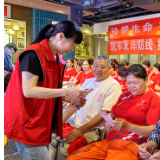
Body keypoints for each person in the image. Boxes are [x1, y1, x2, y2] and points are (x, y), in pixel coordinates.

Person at [4, 20, 86, 160]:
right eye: (73, 44)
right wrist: (64, 92)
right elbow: (29, 91)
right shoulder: (34, 54)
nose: (72, 49)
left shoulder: (54, 58)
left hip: (40, 120)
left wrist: (67, 98)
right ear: (60, 36)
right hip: (26, 120)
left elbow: (47, 88)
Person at [66, 64, 160, 160]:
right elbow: (110, 116)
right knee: (73, 158)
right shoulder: (124, 96)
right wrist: (108, 124)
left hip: (132, 144)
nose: (131, 86)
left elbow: (153, 131)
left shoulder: (153, 98)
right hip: (110, 141)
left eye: (136, 83)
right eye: (128, 82)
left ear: (146, 81)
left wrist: (129, 127)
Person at [59, 55, 122, 160]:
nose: (98, 69)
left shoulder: (113, 85)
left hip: (95, 130)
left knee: (65, 151)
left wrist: (81, 130)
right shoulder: (88, 81)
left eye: (102, 67)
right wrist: (60, 122)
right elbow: (75, 104)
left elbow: (104, 113)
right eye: (96, 66)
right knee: (52, 142)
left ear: (110, 68)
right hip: (77, 125)